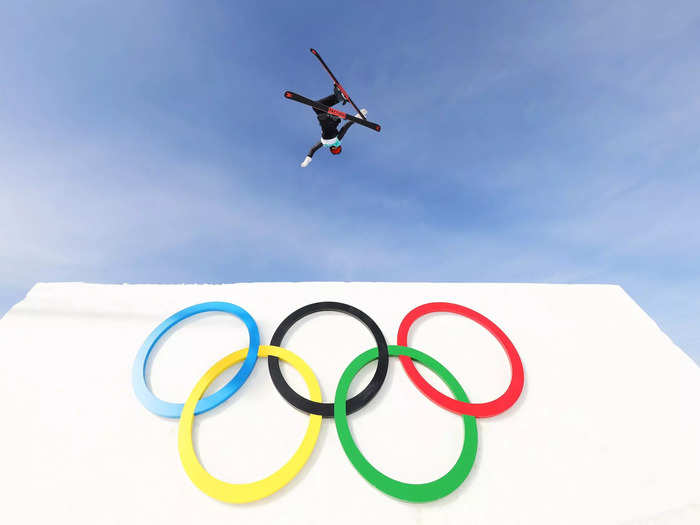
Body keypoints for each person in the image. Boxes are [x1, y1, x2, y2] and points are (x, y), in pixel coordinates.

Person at [300, 85, 367, 168]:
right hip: (330, 120)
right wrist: (357, 117)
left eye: (336, 149)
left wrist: (307, 159)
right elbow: (346, 127)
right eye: (338, 148)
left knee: (316, 106)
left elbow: (313, 149)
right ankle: (337, 103)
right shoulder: (336, 140)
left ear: (332, 149)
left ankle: (338, 98)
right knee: (317, 109)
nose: (336, 147)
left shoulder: (326, 143)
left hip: (327, 118)